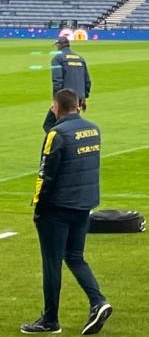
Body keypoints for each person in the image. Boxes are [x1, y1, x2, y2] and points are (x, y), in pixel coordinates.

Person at [25, 89, 112, 336]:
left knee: (52, 263)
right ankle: (98, 301)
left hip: (57, 208)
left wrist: (39, 207)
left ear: (56, 106)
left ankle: (50, 319)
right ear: (78, 105)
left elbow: (46, 174)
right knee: (75, 256)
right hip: (84, 205)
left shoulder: (57, 134)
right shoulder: (93, 129)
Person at [43, 37, 92, 133]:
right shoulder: (80, 58)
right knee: (71, 124)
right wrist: (84, 97)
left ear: (58, 45)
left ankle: (61, 144)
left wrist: (56, 101)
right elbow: (87, 81)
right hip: (78, 99)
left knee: (49, 124)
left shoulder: (57, 59)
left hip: (65, 98)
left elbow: (57, 80)